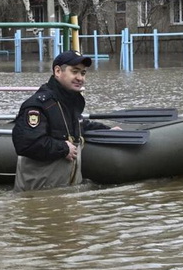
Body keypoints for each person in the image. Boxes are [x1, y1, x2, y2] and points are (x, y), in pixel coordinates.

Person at [12, 50, 119, 192]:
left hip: (66, 192)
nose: (80, 78)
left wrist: (107, 131)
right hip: (38, 196)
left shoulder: (67, 102)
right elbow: (26, 143)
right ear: (57, 71)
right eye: (74, 71)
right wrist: (63, 148)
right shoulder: (39, 105)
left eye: (83, 73)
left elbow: (80, 125)